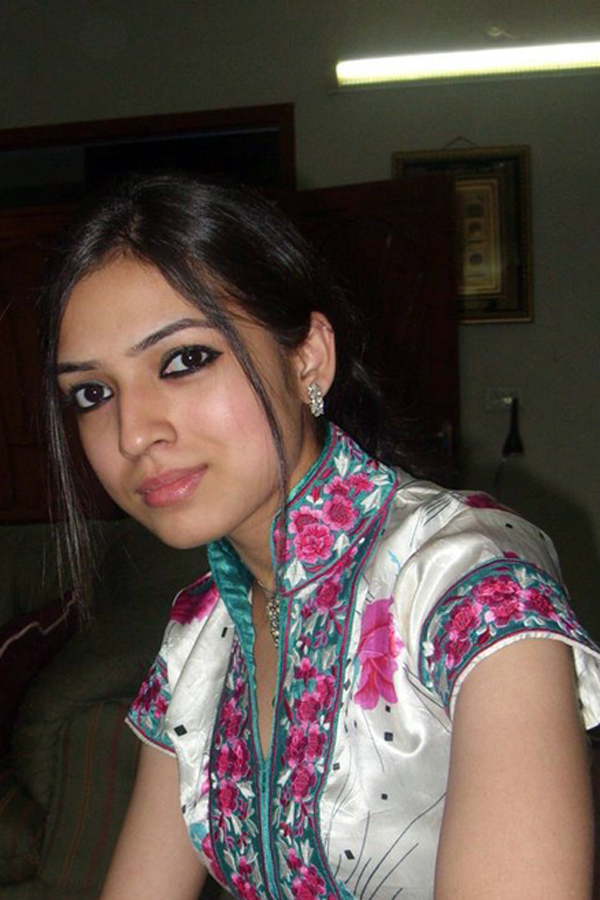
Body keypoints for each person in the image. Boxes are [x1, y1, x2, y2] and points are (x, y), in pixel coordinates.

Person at [40, 171, 600, 900]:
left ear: (308, 356)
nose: (133, 432)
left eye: (184, 360)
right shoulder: (200, 640)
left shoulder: (469, 587)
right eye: (93, 393)